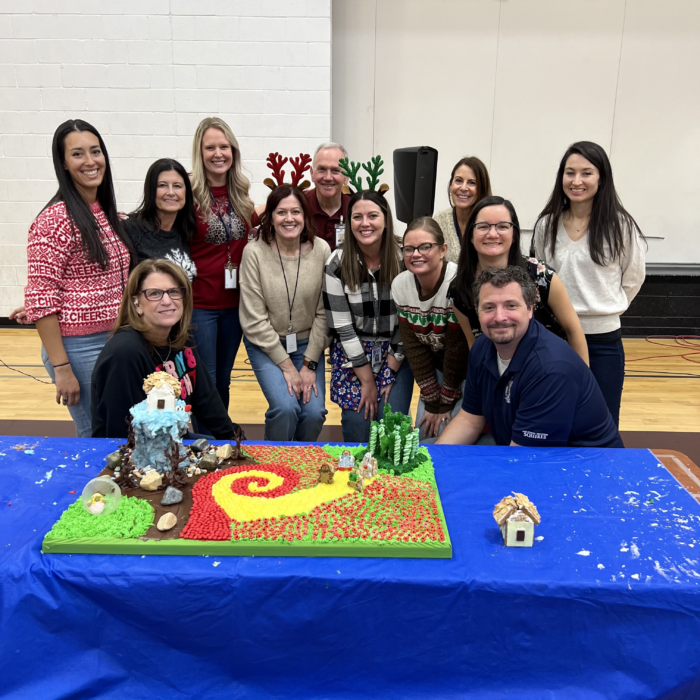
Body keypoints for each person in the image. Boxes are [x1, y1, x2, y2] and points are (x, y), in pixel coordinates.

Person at [23, 119, 134, 438]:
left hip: (115, 338)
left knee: (118, 428)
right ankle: (99, 490)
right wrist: (62, 369)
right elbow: (42, 299)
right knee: (95, 434)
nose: (90, 161)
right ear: (63, 164)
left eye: (95, 151)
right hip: (79, 347)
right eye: (77, 154)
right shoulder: (53, 221)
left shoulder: (107, 212)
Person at [437, 267, 623, 448]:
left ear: (530, 309)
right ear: (478, 312)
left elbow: (525, 461)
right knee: (429, 451)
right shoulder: (482, 347)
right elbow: (470, 419)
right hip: (523, 450)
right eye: (489, 307)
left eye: (511, 305)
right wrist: (433, 461)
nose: (499, 317)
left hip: (585, 468)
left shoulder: (550, 370)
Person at [532, 141, 646, 427]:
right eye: (570, 173)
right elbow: (540, 280)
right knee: (556, 419)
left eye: (587, 173)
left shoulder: (621, 226)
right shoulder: (547, 225)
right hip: (555, 337)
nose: (577, 181)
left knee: (602, 421)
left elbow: (632, 280)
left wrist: (603, 308)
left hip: (603, 341)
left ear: (602, 178)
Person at [91, 259, 241, 440]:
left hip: (173, 443)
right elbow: (122, 434)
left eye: (174, 292)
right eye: (154, 293)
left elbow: (207, 401)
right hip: (136, 454)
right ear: (136, 303)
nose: (167, 301)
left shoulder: (179, 339)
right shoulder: (124, 354)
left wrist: (239, 443)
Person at [449, 196, 589, 365]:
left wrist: (583, 378)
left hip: (550, 369)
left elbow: (573, 330)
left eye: (502, 226)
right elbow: (474, 344)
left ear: (514, 235)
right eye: (483, 226)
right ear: (470, 235)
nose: (492, 234)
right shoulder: (459, 289)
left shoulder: (541, 275)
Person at [239, 186, 331, 441]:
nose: (289, 218)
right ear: (270, 216)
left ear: (305, 216)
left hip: (307, 344)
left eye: (296, 212)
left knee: (314, 412)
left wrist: (309, 363)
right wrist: (289, 367)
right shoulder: (254, 253)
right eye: (281, 212)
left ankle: (298, 463)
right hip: (266, 345)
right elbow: (254, 320)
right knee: (285, 407)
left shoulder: (321, 250)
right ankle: (275, 464)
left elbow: (325, 313)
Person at [323, 190, 414, 443]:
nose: (365, 223)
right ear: (349, 222)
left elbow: (407, 319)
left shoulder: (405, 259)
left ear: (385, 219)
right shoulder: (336, 263)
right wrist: (367, 380)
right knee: (358, 428)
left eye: (372, 216)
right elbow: (342, 328)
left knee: (392, 427)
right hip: (353, 356)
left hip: (396, 352)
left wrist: (390, 368)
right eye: (357, 217)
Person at [189, 116, 258, 412]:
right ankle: (207, 442)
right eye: (210, 147)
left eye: (224, 146)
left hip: (235, 305)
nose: (218, 153)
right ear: (200, 153)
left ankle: (222, 437)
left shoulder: (241, 196)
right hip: (201, 305)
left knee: (224, 380)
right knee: (206, 378)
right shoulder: (189, 199)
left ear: (233, 151)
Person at [391, 217, 468, 440]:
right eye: (409, 249)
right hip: (435, 369)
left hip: (464, 372)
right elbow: (414, 347)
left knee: (442, 433)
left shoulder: (457, 282)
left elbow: (458, 351)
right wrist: (432, 398)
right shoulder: (401, 285)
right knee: (424, 432)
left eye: (425, 246)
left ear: (443, 250)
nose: (416, 254)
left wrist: (444, 404)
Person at [124, 158, 197, 281]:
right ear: (151, 190)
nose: (171, 192)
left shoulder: (184, 230)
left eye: (177, 186)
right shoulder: (130, 228)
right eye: (162, 185)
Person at [433, 156, 492, 263]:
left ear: (482, 188)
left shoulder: (492, 221)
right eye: (458, 181)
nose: (464, 188)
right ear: (451, 185)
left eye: (472, 182)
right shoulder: (439, 221)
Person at [305, 142, 351, 251]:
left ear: (346, 177)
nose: (328, 177)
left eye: (336, 171)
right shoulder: (298, 204)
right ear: (312, 173)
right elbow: (257, 217)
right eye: (322, 169)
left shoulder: (356, 209)